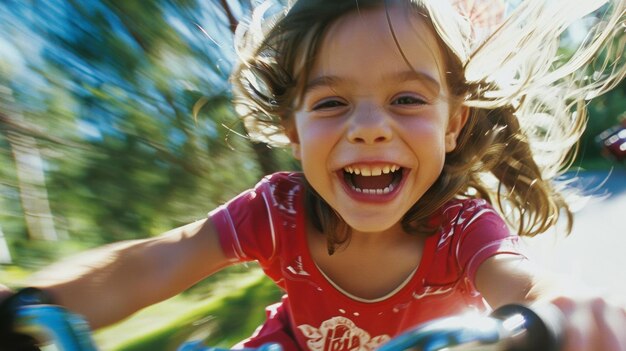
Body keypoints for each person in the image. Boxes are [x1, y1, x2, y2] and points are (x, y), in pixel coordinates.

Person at [1, 0, 626, 350]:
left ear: (453, 123)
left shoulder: (461, 226)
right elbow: (157, 262)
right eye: (331, 103)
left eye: (407, 99)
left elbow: (522, 281)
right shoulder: (276, 213)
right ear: (294, 131)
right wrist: (32, 302)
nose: (369, 128)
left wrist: (560, 309)